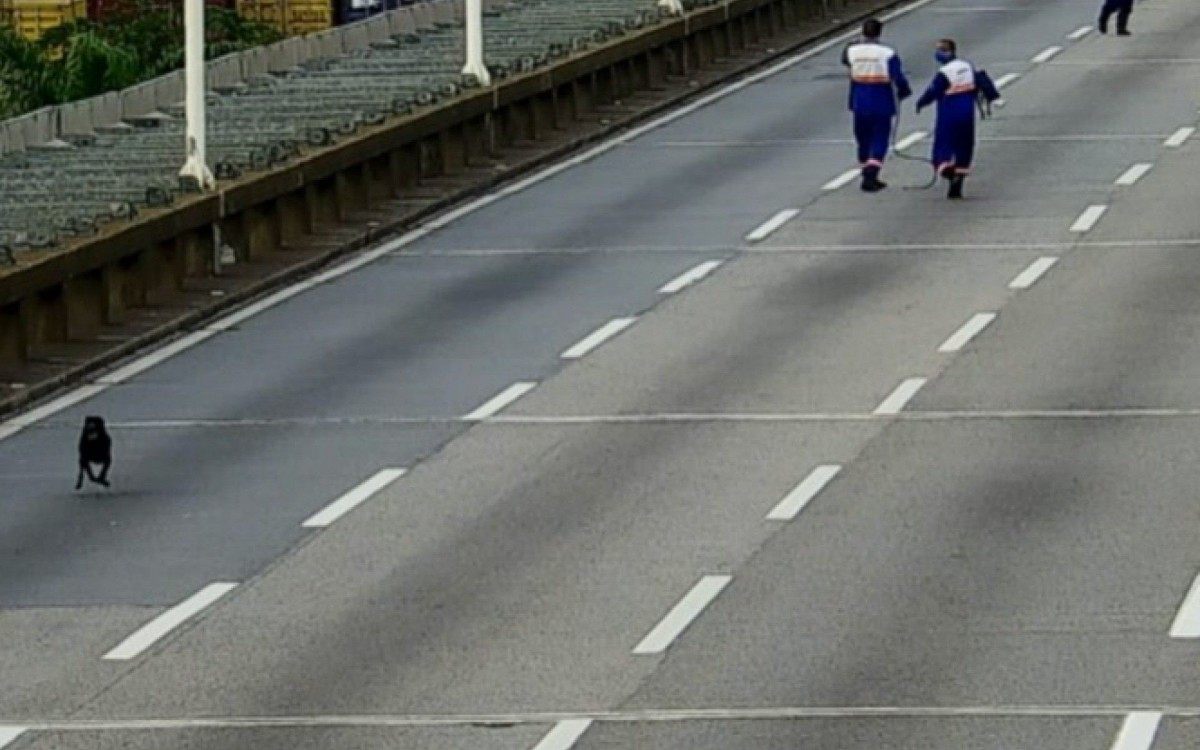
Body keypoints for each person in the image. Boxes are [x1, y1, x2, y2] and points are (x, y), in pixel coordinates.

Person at [915, 39, 1002, 200]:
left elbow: (933, 91)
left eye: (940, 50)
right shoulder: (966, 66)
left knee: (943, 147)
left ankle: (948, 172)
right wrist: (994, 97)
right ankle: (958, 183)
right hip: (967, 114)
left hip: (948, 115)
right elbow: (982, 81)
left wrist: (921, 103)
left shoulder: (945, 72)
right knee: (964, 147)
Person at [842, 18, 912, 192]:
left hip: (859, 99)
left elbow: (845, 60)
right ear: (879, 33)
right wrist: (904, 91)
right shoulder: (887, 53)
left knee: (863, 138)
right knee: (880, 137)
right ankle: (871, 174)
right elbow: (898, 76)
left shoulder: (852, 51)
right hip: (881, 98)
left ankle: (866, 169)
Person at [75, 415, 112, 490]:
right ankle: (94, 477)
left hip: (100, 452)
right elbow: (81, 448)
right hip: (90, 453)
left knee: (107, 459)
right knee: (83, 459)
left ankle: (101, 477)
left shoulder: (103, 435)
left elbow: (107, 444)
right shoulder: (86, 434)